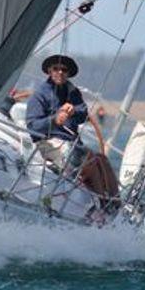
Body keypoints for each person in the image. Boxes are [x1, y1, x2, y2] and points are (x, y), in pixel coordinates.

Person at [25, 54, 119, 210]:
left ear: (68, 73)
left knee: (102, 159)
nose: (60, 72)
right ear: (49, 71)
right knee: (90, 161)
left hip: (70, 145)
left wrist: (73, 111)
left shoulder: (72, 92)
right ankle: (102, 204)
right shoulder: (39, 95)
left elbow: (83, 113)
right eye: (56, 69)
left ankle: (116, 203)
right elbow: (33, 126)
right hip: (47, 144)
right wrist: (55, 120)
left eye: (64, 69)